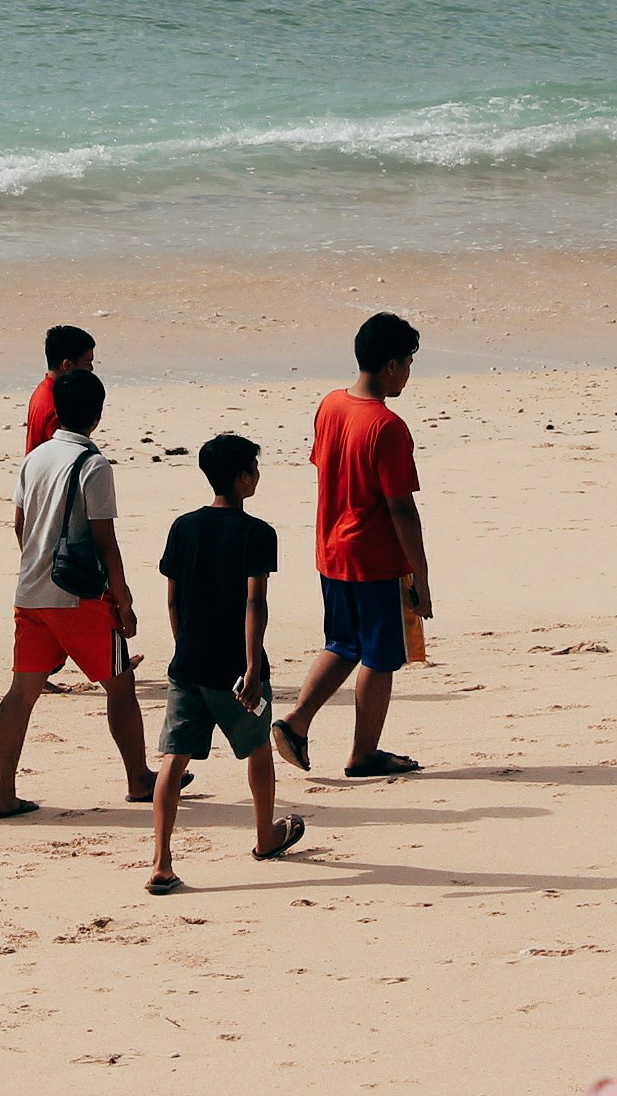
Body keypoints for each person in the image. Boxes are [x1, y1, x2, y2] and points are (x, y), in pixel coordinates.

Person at [0, 367, 159, 818]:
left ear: (57, 411)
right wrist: (123, 601)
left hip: (31, 591)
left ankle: (4, 792)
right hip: (79, 597)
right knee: (120, 687)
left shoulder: (35, 457)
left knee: (21, 693)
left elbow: (21, 525)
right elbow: (105, 541)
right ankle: (138, 778)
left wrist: (37, 565)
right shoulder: (93, 464)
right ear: (98, 415)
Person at [147, 433, 307, 894]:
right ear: (243, 477)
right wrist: (254, 668)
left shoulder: (182, 527)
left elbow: (174, 600)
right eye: (254, 469)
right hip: (236, 671)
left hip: (188, 664)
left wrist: (184, 648)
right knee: (257, 750)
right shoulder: (258, 533)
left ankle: (161, 860)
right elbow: (255, 603)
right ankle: (264, 837)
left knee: (173, 761)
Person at [275, 312, 429, 780]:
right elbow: (401, 508)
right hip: (374, 557)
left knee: (342, 642)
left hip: (331, 548)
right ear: (389, 365)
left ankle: (296, 721)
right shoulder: (387, 425)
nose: (407, 373)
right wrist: (420, 576)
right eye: (406, 363)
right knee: (381, 657)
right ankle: (363, 753)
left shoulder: (330, 405)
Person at [24, 324, 96, 452]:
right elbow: (66, 453)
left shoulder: (44, 389)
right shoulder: (57, 407)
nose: (91, 369)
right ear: (67, 365)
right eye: (87, 363)